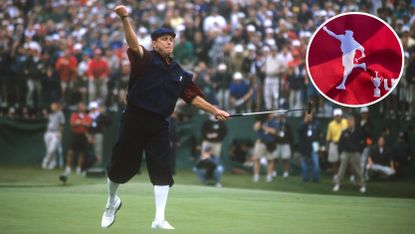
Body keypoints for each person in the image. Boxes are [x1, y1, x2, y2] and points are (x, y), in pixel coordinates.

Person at [101, 5, 229, 230]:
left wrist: (215, 111)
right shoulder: (145, 59)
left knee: (162, 169)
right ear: (155, 43)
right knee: (120, 168)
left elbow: (193, 97)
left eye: (171, 39)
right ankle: (112, 202)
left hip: (159, 123)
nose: (169, 42)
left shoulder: (179, 72)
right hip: (134, 119)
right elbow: (132, 44)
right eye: (164, 39)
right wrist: (124, 18)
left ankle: (159, 218)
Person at [333, 116, 366, 193]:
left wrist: (359, 152)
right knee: (342, 169)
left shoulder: (358, 132)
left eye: (352, 121)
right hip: (346, 152)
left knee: (358, 170)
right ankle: (338, 183)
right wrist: (341, 153)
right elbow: (340, 144)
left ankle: (362, 185)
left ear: (354, 123)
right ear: (347, 123)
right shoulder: (344, 132)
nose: (351, 123)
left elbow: (362, 143)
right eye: (349, 121)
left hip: (355, 153)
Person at [64, 102, 92, 175]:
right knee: (71, 152)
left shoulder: (87, 116)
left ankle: (79, 169)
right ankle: (68, 168)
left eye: (83, 106)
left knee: (81, 153)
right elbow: (73, 124)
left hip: (83, 136)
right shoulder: (74, 115)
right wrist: (82, 123)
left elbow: (88, 125)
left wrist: (80, 122)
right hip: (75, 135)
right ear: (78, 107)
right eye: (80, 106)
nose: (82, 107)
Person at [252, 113, 278, 182]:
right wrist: (261, 121)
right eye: (269, 114)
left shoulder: (274, 122)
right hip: (261, 142)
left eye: (271, 114)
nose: (270, 115)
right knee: (256, 159)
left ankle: (269, 176)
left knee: (270, 160)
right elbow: (255, 128)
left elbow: (274, 132)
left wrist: (265, 128)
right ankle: (256, 176)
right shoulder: (261, 120)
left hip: (270, 143)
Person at [297, 113, 322, 182]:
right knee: (304, 163)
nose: (309, 117)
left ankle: (316, 179)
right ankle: (305, 178)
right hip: (304, 145)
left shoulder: (317, 123)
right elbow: (299, 130)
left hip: (314, 144)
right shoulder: (303, 123)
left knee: (316, 162)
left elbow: (320, 134)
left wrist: (320, 145)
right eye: (307, 115)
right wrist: (305, 122)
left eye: (310, 115)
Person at [42, 102, 65, 170]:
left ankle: (45, 161)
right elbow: (49, 122)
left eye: (53, 106)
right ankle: (53, 163)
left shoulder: (60, 113)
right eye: (51, 106)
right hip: (49, 133)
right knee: (49, 149)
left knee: (52, 149)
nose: (52, 107)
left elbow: (62, 124)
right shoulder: (51, 114)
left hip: (56, 133)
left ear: (57, 106)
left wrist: (59, 132)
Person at [88, 101, 111, 167]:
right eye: (92, 108)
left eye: (94, 108)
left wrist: (104, 127)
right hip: (89, 135)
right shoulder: (88, 115)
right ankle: (89, 165)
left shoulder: (101, 115)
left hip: (98, 134)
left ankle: (97, 165)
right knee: (89, 150)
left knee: (98, 150)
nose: (93, 109)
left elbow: (109, 121)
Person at [326, 108, 348, 174]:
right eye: (336, 116)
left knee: (343, 160)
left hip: (344, 144)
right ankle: (335, 174)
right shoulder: (331, 124)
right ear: (334, 116)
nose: (338, 117)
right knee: (334, 161)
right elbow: (328, 138)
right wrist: (327, 148)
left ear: (341, 116)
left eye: (339, 115)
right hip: (334, 143)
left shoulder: (346, 122)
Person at [273, 113, 293, 178]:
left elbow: (290, 135)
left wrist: (289, 143)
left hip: (285, 143)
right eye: (279, 116)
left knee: (285, 159)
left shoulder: (287, 125)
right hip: (277, 143)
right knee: (275, 158)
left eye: (281, 116)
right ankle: (273, 172)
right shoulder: (275, 124)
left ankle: (286, 172)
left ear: (283, 117)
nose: (280, 118)